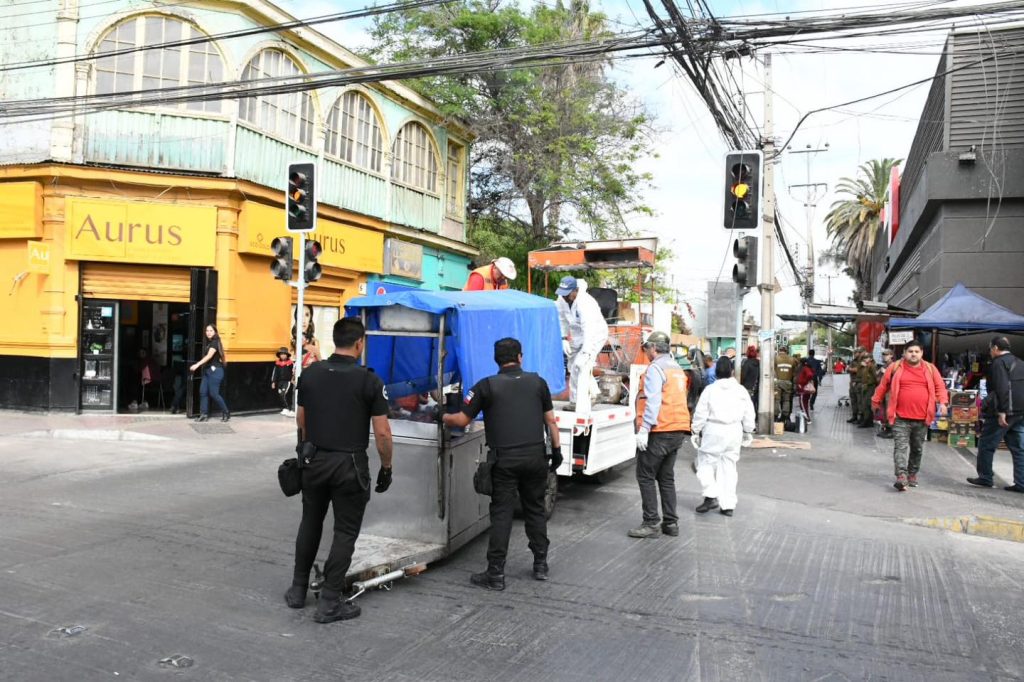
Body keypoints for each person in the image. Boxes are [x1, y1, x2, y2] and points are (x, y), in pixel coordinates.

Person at [287, 318, 394, 623]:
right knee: (345, 532)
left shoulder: (310, 375)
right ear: (360, 343)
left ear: (334, 340)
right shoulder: (369, 381)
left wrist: (311, 449)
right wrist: (386, 466)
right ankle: (330, 601)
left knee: (310, 522)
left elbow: (301, 420)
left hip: (315, 461)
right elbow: (383, 433)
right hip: (349, 466)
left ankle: (297, 591)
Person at [443, 338, 562, 590]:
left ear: (496, 359)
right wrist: (558, 451)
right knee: (535, 510)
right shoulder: (538, 382)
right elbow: (551, 421)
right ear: (520, 356)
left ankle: (495, 573)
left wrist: (440, 415)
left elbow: (462, 420)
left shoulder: (486, 386)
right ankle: (541, 564)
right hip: (535, 458)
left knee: (501, 515)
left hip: (505, 461)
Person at [628, 331, 690, 539]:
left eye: (646, 348)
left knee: (645, 475)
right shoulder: (676, 368)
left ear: (653, 348)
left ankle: (651, 523)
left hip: (660, 429)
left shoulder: (655, 368)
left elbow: (653, 401)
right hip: (678, 429)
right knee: (666, 477)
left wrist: (644, 429)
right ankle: (671, 523)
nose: (645, 352)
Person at [871, 339, 948, 491]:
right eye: (910, 351)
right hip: (900, 417)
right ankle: (901, 476)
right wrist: (875, 401)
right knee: (900, 447)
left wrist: (943, 403)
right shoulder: (895, 367)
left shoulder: (930, 368)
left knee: (917, 448)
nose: (913, 354)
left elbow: (940, 387)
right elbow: (883, 385)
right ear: (905, 353)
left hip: (922, 418)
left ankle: (912, 474)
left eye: (916, 352)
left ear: (921, 353)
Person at [691, 356, 756, 516]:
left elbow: (700, 413)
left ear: (717, 372)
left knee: (705, 463)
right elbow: (749, 413)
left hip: (714, 429)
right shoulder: (740, 391)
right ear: (732, 372)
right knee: (729, 467)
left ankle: (710, 495)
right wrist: (748, 430)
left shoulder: (710, 390)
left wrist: (696, 430)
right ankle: (728, 505)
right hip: (734, 431)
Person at [967, 336, 1024, 492]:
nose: (990, 352)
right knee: (1019, 448)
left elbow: (1001, 388)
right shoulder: (1019, 362)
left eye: (990, 348)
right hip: (1019, 413)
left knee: (986, 444)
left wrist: (1002, 412)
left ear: (995, 348)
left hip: (1003, 411)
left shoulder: (998, 363)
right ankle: (1022, 482)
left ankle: (985, 477)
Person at [555, 276, 608, 410]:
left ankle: (591, 396)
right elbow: (561, 319)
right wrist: (563, 339)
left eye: (567, 294)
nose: (565, 297)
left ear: (576, 290)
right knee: (573, 366)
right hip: (577, 334)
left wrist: (586, 351)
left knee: (583, 364)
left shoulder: (586, 303)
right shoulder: (562, 299)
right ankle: (575, 401)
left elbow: (589, 329)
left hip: (595, 334)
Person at [189, 324, 230, 422]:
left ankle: (226, 412)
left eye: (211, 330)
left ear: (215, 332)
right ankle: (204, 414)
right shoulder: (210, 342)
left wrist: (197, 365)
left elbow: (209, 356)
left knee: (214, 394)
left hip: (216, 371)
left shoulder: (215, 342)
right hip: (208, 371)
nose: (208, 332)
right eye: (207, 331)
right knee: (203, 392)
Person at [271, 346, 295, 416]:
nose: (283, 355)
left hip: (287, 381)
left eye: (284, 354)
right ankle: (285, 408)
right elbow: (274, 373)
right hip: (279, 382)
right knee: (280, 394)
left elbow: (293, 372)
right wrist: (273, 382)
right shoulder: (277, 363)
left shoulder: (290, 363)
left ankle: (288, 408)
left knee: (283, 394)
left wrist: (292, 379)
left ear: (287, 355)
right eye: (281, 354)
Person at [857, 356, 879, 428]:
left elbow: (876, 377)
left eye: (866, 358)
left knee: (867, 404)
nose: (865, 359)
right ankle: (867, 420)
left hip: (870, 387)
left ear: (870, 358)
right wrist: (861, 366)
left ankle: (868, 421)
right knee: (865, 404)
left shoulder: (872, 366)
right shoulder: (866, 366)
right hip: (865, 386)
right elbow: (859, 374)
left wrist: (876, 386)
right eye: (864, 358)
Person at [774, 346, 795, 420]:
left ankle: (776, 415)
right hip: (788, 382)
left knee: (776, 399)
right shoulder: (792, 359)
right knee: (786, 400)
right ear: (787, 351)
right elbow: (795, 371)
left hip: (777, 382)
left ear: (779, 350)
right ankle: (785, 415)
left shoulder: (775, 358)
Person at [795, 358, 816, 423]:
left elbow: (809, 375)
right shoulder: (807, 368)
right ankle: (806, 418)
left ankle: (807, 419)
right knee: (806, 404)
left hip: (803, 390)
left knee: (803, 404)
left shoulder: (805, 368)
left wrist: (804, 382)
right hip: (805, 390)